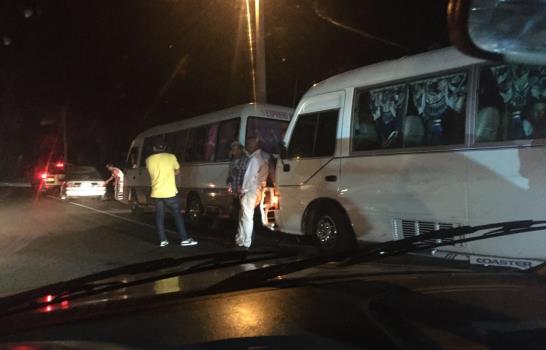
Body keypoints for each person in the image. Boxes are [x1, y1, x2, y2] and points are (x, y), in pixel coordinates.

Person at [146, 140, 198, 247]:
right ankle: (184, 239)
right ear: (164, 148)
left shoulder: (148, 160)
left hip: (156, 192)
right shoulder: (171, 157)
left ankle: (163, 240)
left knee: (160, 217)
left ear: (154, 149)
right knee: (177, 216)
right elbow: (177, 171)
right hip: (170, 192)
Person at [235, 136, 269, 248]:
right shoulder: (262, 158)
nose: (247, 146)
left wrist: (243, 191)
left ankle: (246, 242)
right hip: (258, 190)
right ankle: (241, 239)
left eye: (249, 144)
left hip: (250, 191)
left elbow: (249, 177)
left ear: (255, 144)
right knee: (245, 216)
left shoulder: (254, 159)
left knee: (247, 217)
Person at [226, 141, 249, 219]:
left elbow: (246, 176)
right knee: (236, 213)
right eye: (233, 150)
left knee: (244, 214)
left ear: (241, 150)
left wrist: (240, 188)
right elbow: (230, 176)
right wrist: (229, 185)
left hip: (242, 192)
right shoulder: (232, 162)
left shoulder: (246, 160)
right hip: (234, 193)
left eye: (237, 149)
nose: (235, 152)